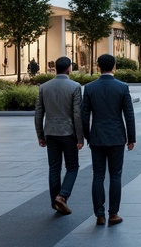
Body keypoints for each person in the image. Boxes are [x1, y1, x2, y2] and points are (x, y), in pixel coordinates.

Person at [81, 54, 136, 227]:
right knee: (115, 175)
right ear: (114, 66)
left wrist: (88, 135)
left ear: (98, 67)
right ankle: (113, 214)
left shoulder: (89, 88)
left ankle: (99, 214)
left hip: (97, 137)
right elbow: (129, 114)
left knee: (97, 175)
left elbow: (84, 115)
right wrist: (131, 138)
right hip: (117, 137)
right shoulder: (122, 87)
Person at [35, 56, 84, 215]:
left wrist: (40, 135)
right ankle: (62, 196)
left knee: (54, 168)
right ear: (69, 68)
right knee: (72, 166)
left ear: (55, 68)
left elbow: (38, 114)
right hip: (68, 133)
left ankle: (55, 201)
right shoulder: (75, 86)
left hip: (51, 132)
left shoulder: (44, 87)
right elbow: (77, 114)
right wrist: (80, 137)